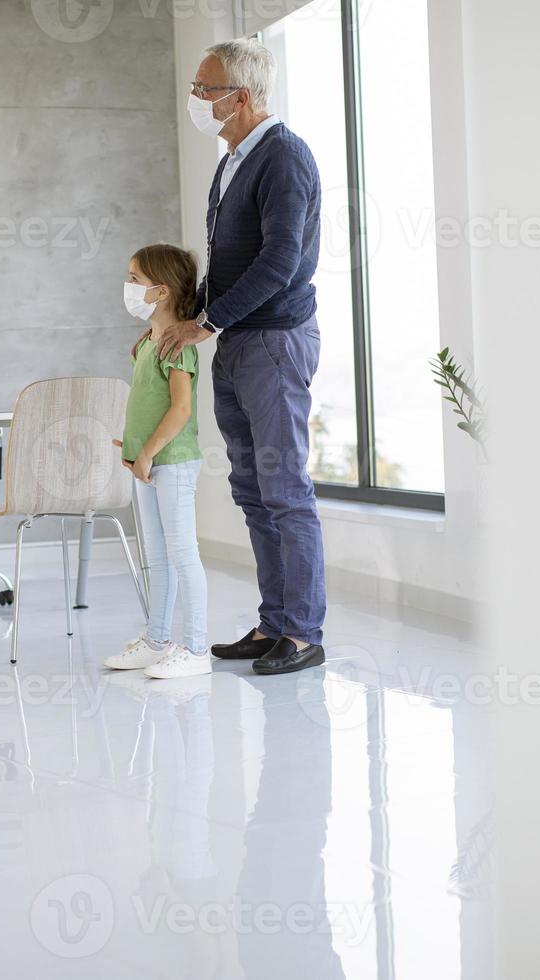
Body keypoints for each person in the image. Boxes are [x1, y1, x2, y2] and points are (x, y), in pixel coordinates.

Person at [154, 38, 327, 676]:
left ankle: (303, 633)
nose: (196, 99)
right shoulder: (233, 160)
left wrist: (209, 322)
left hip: (274, 343)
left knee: (285, 490)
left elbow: (281, 262)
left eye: (206, 88)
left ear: (242, 96)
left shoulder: (284, 157)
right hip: (235, 340)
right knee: (252, 487)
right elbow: (228, 260)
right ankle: (274, 623)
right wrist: (178, 318)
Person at [106, 245, 212, 680]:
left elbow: (181, 409)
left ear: (161, 291)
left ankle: (197, 648)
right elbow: (148, 404)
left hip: (170, 463)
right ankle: (157, 639)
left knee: (183, 552)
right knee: (156, 556)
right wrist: (135, 447)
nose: (127, 286)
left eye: (135, 278)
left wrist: (148, 451)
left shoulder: (176, 345)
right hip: (145, 464)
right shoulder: (148, 344)